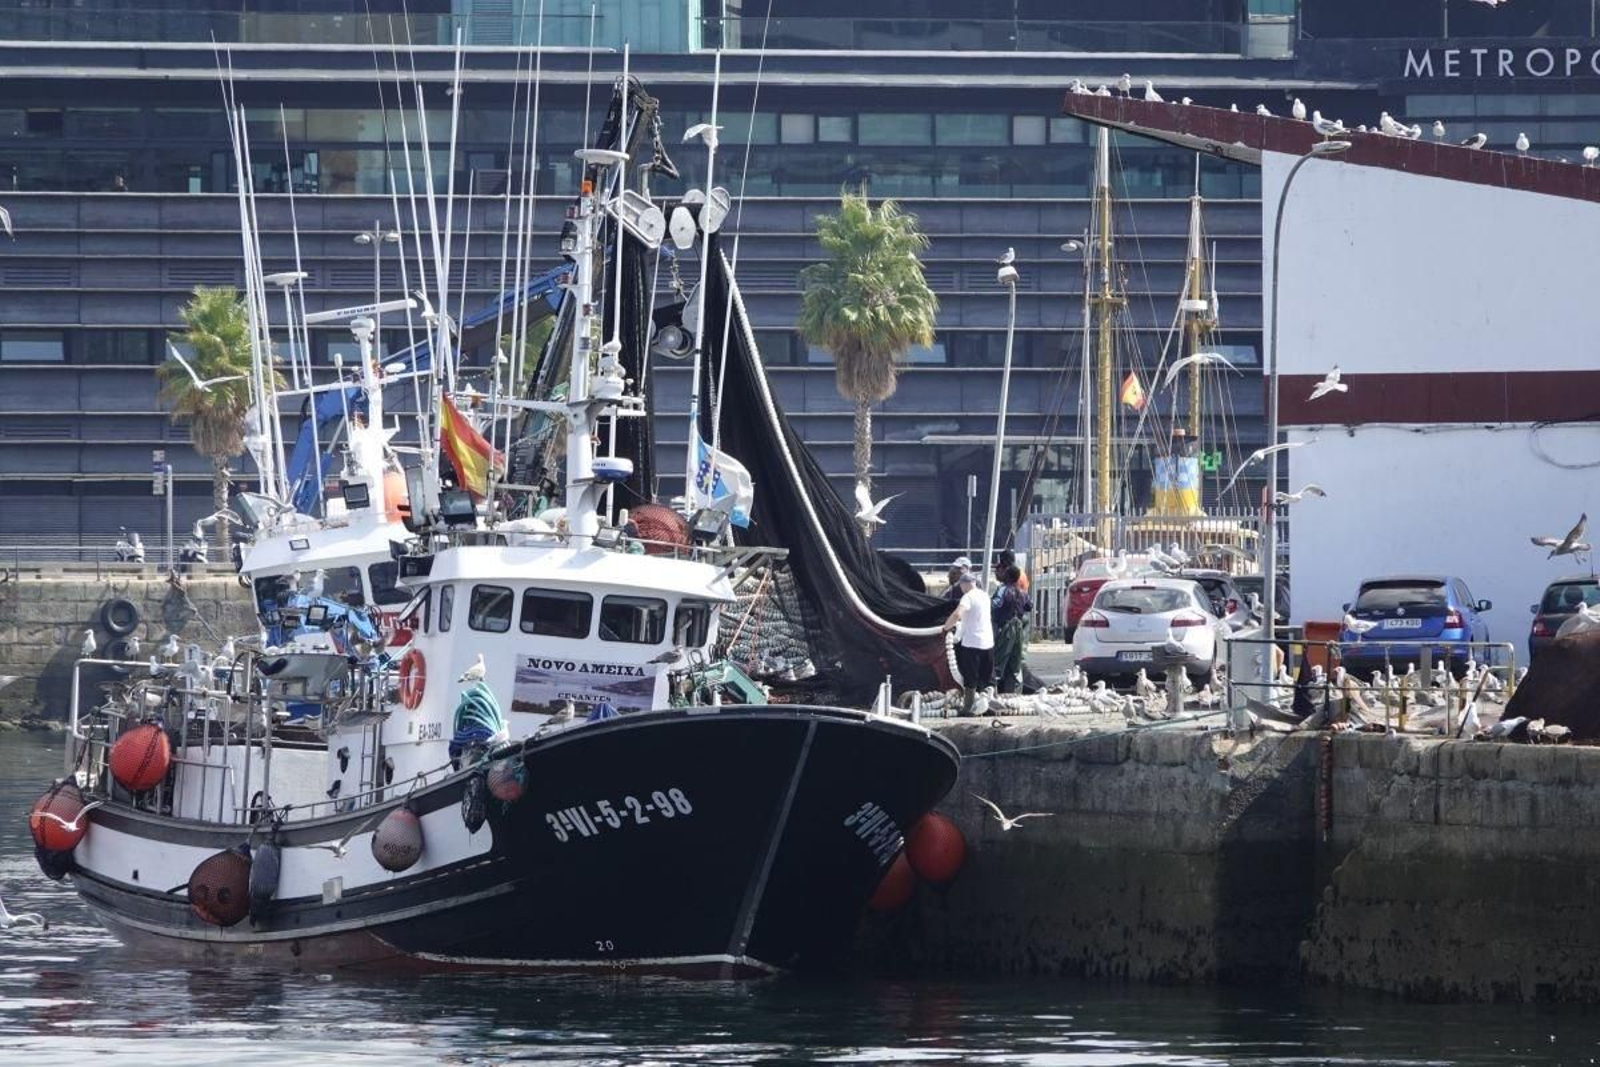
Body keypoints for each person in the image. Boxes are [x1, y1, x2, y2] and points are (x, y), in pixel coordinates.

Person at [943, 571, 995, 716]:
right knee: (987, 675)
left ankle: (968, 707)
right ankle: (990, 704)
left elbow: (957, 614)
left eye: (960, 585)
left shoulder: (968, 597)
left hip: (972, 643)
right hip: (988, 642)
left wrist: (946, 628)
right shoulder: (985, 595)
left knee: (970, 677)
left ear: (964, 584)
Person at [991, 565, 1032, 694]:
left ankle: (993, 691)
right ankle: (1012, 692)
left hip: (1004, 629)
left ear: (1007, 577)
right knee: (1015, 661)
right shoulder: (1023, 593)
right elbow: (1029, 606)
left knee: (998, 660)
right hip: (1019, 629)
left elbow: (995, 605)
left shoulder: (1002, 590)